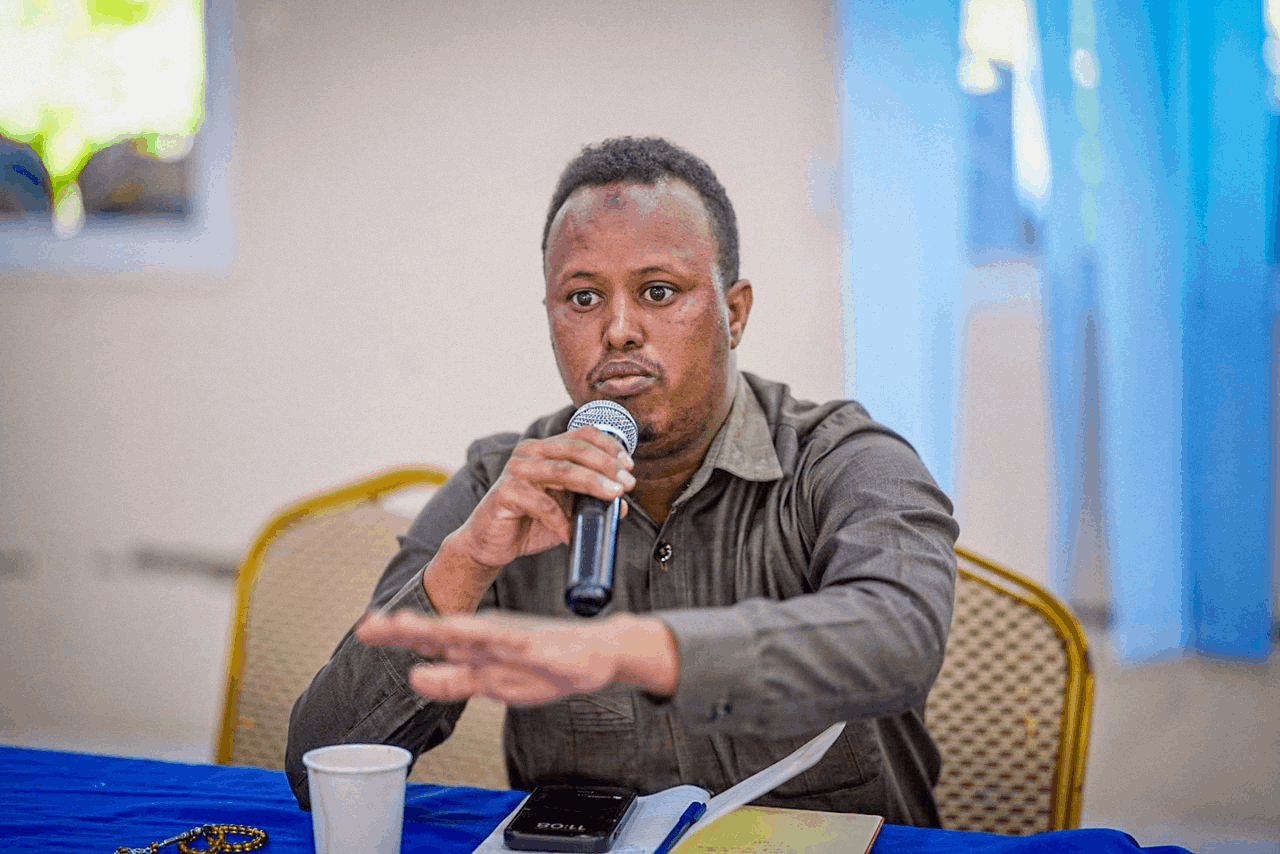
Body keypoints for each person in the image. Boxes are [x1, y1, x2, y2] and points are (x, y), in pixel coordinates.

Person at [285, 136, 958, 826]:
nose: (618, 331)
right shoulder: (503, 484)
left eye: (658, 291)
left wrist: (636, 651)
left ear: (733, 313)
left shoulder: (842, 459)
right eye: (583, 297)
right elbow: (319, 768)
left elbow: (902, 636)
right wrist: (464, 567)